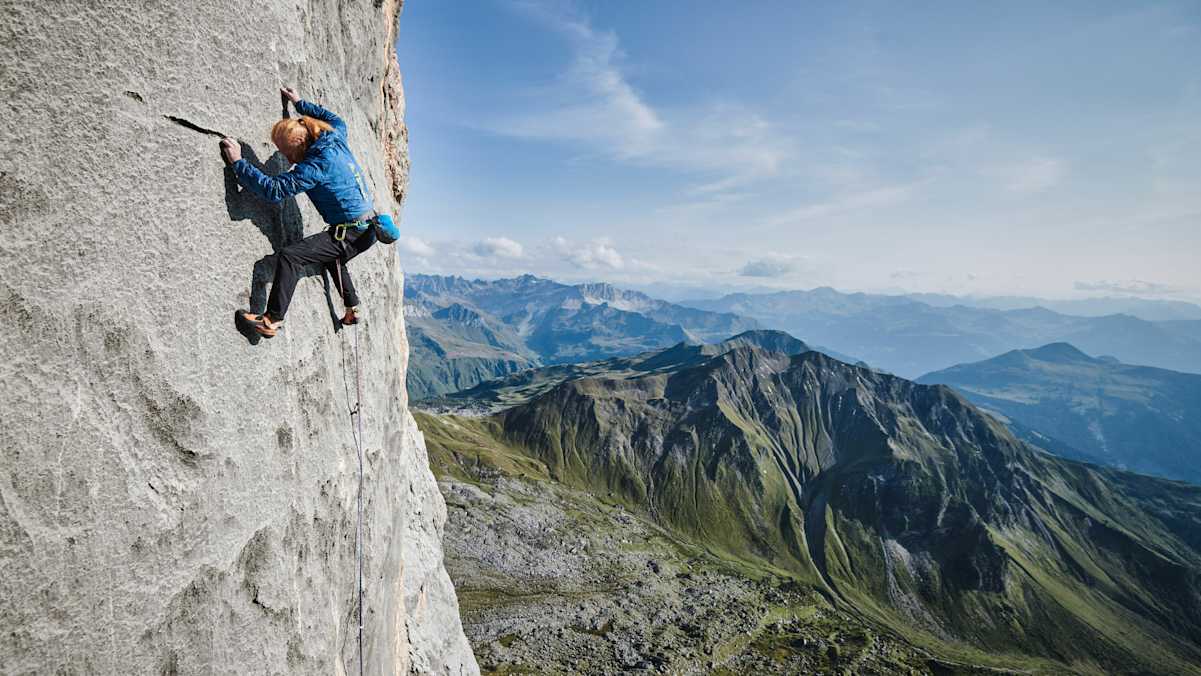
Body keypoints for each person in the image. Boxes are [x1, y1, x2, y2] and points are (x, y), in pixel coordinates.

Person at [222, 87, 377, 338]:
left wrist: (239, 164)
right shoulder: (336, 136)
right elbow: (335, 118)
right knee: (331, 257)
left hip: (350, 234)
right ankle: (352, 307)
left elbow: (273, 190)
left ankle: (271, 321)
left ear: (298, 149)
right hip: (369, 227)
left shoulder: (313, 168)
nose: (283, 156)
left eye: (284, 152)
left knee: (291, 257)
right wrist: (299, 104)